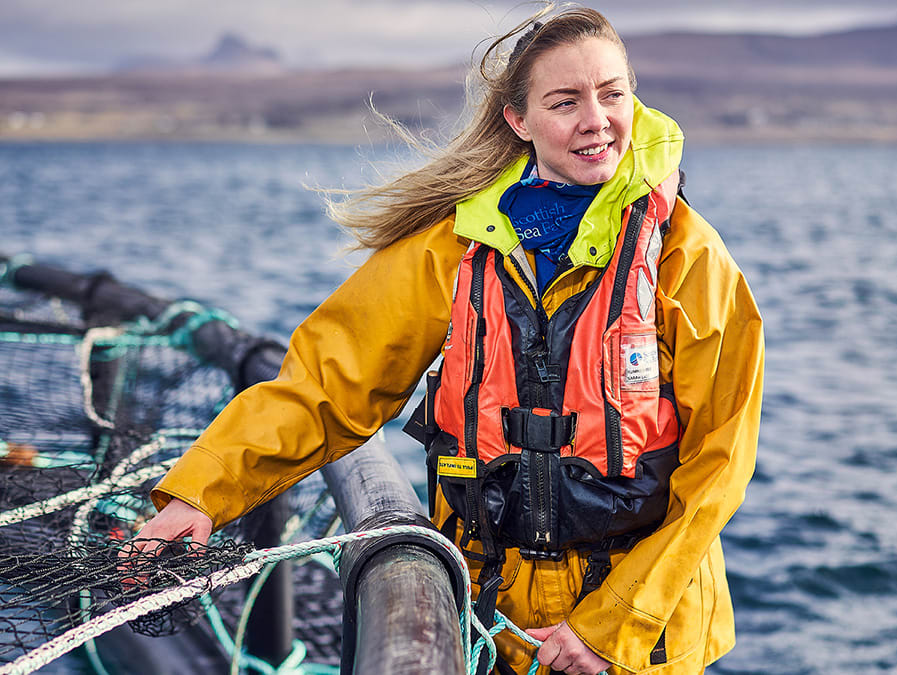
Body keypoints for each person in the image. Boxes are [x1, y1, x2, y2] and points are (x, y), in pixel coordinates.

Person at [127, 6, 764, 674]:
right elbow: (326, 384)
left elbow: (720, 462)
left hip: (634, 640)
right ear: (519, 121)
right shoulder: (455, 247)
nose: (596, 120)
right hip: (488, 614)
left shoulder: (689, 257)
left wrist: (612, 625)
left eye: (612, 93)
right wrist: (200, 492)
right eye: (565, 101)